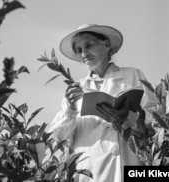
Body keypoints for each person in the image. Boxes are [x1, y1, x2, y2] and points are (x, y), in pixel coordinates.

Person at [49, 24, 157, 182]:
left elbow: (156, 120)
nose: (84, 53)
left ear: (106, 45)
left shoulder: (133, 75)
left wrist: (130, 119)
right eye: (79, 50)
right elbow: (55, 139)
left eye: (89, 45)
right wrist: (70, 111)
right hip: (91, 173)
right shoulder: (76, 90)